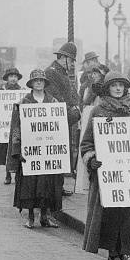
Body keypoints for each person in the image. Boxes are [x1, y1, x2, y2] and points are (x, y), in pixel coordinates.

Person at [80, 71, 130, 260]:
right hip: (107, 174)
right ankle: (112, 253)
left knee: (128, 214)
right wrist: (92, 160)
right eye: (114, 85)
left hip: (128, 172)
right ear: (107, 88)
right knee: (111, 214)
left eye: (121, 85)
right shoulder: (98, 111)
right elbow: (86, 144)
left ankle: (124, 251)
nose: (118, 88)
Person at [7, 69, 64, 229]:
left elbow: (58, 127)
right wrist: (17, 150)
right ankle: (31, 217)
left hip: (47, 153)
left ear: (45, 83)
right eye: (35, 80)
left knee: (47, 185)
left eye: (41, 80)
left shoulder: (53, 102)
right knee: (30, 185)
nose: (39, 83)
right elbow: (16, 128)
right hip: (30, 153)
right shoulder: (23, 103)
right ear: (31, 83)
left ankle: (45, 216)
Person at [45, 42, 82, 196]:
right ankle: (53, 189)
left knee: (61, 153)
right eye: (71, 60)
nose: (73, 63)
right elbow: (55, 96)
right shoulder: (52, 72)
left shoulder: (61, 72)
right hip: (57, 119)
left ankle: (58, 187)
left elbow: (72, 93)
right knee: (55, 153)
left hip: (64, 118)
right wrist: (71, 108)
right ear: (63, 58)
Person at [75, 65, 109, 193]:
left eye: (97, 73)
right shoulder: (89, 86)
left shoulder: (99, 88)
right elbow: (84, 101)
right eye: (93, 73)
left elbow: (87, 101)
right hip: (88, 115)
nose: (94, 75)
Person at [0, 67, 23, 184]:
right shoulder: (1, 91)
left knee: (17, 149)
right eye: (11, 76)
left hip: (16, 126)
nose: (13, 79)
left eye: (15, 76)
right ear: (7, 78)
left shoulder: (22, 92)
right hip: (4, 126)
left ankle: (18, 174)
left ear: (18, 78)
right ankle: (8, 175)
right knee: (5, 150)